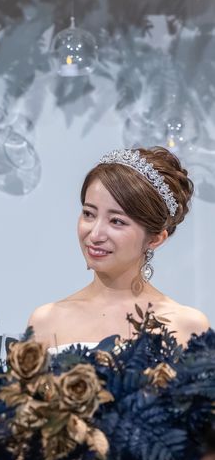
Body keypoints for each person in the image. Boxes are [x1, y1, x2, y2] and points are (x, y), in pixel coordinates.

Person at [28, 147, 209, 352]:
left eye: (116, 221)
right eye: (89, 214)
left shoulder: (187, 326)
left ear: (155, 239)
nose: (95, 235)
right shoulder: (46, 321)